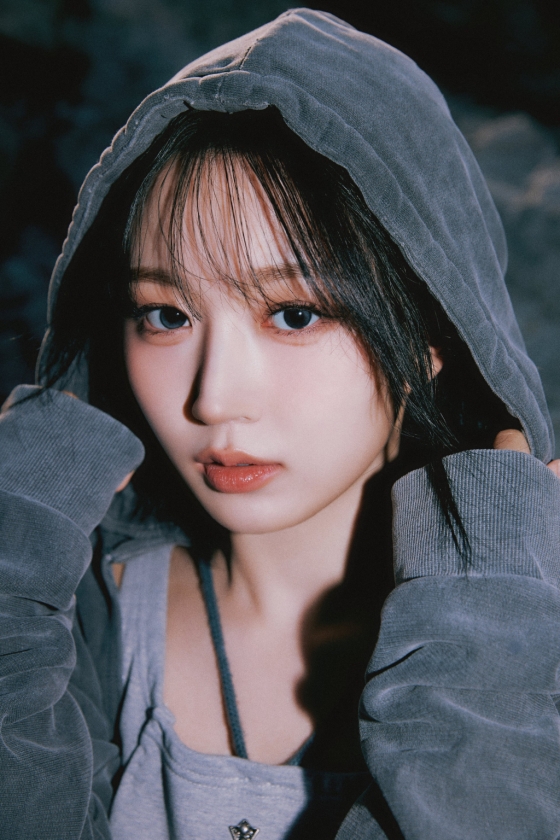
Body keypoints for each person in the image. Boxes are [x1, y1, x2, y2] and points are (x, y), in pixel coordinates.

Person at [1, 8, 560, 839]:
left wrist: (487, 669)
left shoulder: (536, 658)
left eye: (295, 314)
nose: (215, 398)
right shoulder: (71, 621)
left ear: (435, 336)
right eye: (165, 315)